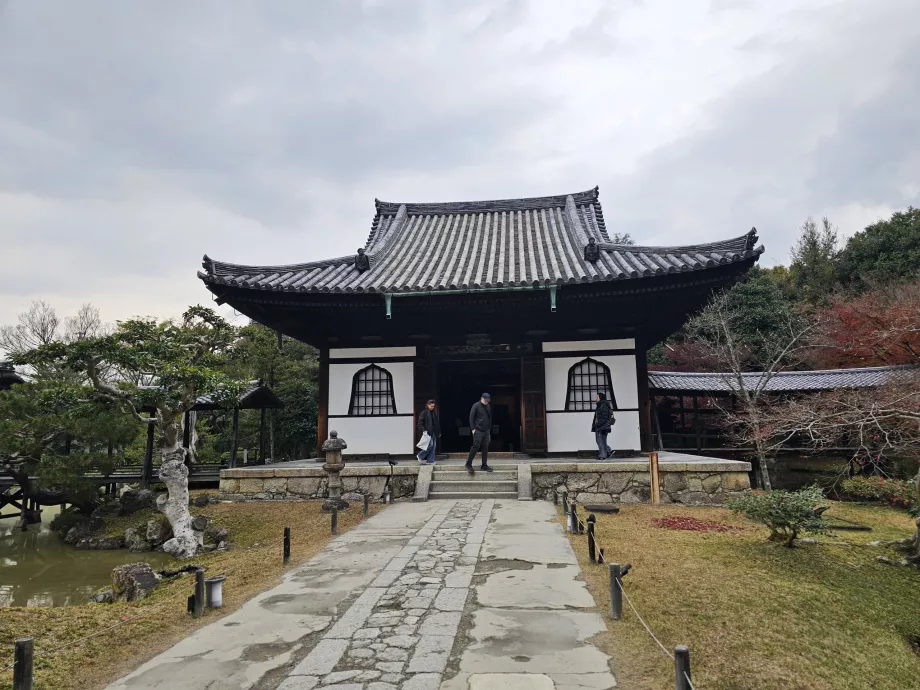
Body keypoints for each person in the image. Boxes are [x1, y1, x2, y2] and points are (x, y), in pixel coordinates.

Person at [466, 392, 494, 473]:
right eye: (485, 400)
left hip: (486, 431)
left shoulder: (488, 406)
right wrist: (473, 429)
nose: (486, 402)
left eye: (488, 401)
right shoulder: (476, 405)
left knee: (485, 447)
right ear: (481, 398)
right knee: (476, 446)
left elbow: (489, 417)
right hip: (478, 430)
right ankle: (468, 463)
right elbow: (471, 418)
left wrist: (489, 428)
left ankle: (484, 465)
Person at [592, 392, 615, 460]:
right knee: (602, 441)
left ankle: (603, 455)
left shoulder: (603, 405)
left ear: (600, 398)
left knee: (600, 441)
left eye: (597, 397)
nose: (596, 398)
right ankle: (608, 451)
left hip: (601, 426)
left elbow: (604, 417)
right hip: (603, 426)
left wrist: (598, 424)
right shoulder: (601, 405)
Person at [417, 399, 440, 464]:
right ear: (428, 405)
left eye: (433, 406)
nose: (432, 407)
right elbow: (420, 422)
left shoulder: (433, 413)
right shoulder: (424, 412)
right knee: (430, 445)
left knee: (433, 446)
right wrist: (423, 430)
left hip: (433, 431)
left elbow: (436, 423)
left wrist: (438, 432)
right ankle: (420, 455)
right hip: (427, 431)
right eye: (431, 406)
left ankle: (431, 460)